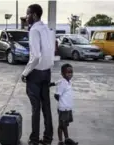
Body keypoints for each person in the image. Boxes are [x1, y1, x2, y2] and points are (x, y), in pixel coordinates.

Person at [21, 4, 55, 145]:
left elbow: (35, 56)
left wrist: (25, 73)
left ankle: (34, 139)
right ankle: (48, 138)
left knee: (36, 108)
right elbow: (50, 51)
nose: (26, 16)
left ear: (34, 15)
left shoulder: (34, 30)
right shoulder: (47, 29)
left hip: (35, 74)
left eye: (28, 14)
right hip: (47, 72)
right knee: (46, 107)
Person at [54, 64, 78, 145]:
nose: (70, 74)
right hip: (63, 108)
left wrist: (52, 83)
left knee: (64, 125)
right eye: (68, 72)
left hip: (68, 108)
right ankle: (63, 141)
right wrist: (62, 103)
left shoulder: (68, 81)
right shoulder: (63, 84)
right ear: (62, 73)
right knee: (62, 125)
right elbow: (56, 95)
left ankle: (65, 140)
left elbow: (57, 81)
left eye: (71, 72)